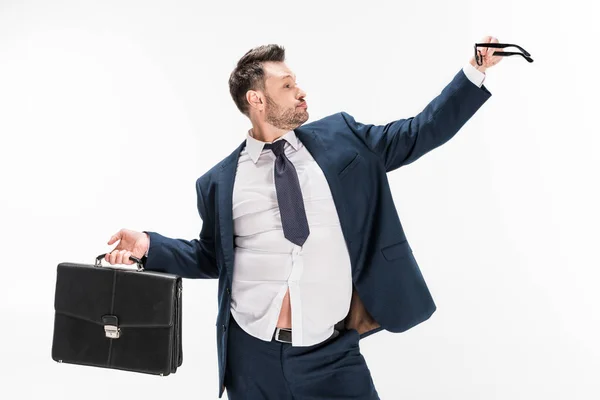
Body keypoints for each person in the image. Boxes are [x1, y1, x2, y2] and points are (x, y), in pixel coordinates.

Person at [105, 37, 502, 399]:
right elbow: (212, 257)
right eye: (287, 86)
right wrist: (150, 246)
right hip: (250, 358)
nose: (301, 92)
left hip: (330, 354)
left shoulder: (344, 138)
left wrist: (475, 70)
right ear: (256, 100)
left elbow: (419, 132)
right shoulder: (219, 181)